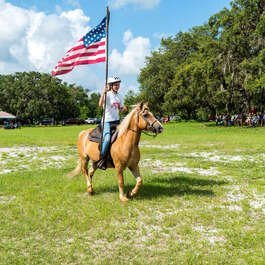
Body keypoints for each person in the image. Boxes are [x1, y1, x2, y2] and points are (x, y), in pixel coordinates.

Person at [97, 76, 127, 169]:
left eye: (118, 85)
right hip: (107, 121)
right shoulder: (107, 94)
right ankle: (101, 159)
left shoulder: (120, 96)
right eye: (115, 85)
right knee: (107, 139)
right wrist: (103, 93)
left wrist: (123, 108)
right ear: (111, 86)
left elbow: (121, 107)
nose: (117, 86)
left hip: (117, 121)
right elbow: (100, 104)